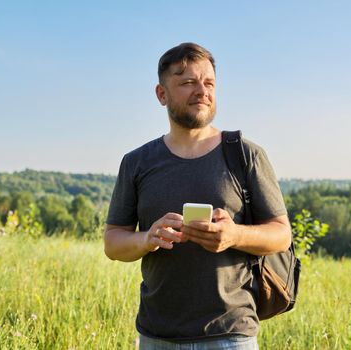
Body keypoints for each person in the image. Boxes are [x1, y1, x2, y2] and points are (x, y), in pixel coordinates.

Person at [104, 42, 291, 349]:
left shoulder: (246, 155)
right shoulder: (137, 162)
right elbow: (113, 243)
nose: (202, 91)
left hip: (231, 334)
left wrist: (234, 236)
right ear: (161, 94)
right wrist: (148, 238)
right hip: (156, 335)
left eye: (209, 83)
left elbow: (281, 235)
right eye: (188, 82)